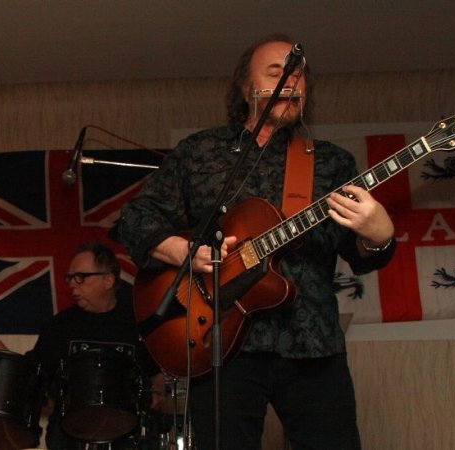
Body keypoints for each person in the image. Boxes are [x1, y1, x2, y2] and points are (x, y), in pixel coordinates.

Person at [115, 34, 396, 449]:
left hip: (311, 342)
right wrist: (186, 253)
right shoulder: (201, 152)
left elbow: (358, 255)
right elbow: (136, 218)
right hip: (218, 339)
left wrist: (379, 236)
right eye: (276, 71)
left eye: (299, 75)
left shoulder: (331, 161)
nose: (292, 80)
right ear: (247, 89)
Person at [0, 241, 162, 450]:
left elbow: (159, 372)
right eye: (70, 277)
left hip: (127, 436)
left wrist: (158, 391)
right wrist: (0, 349)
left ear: (108, 280)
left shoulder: (137, 323)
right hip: (70, 436)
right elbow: (33, 374)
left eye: (80, 277)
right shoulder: (61, 325)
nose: (72, 284)